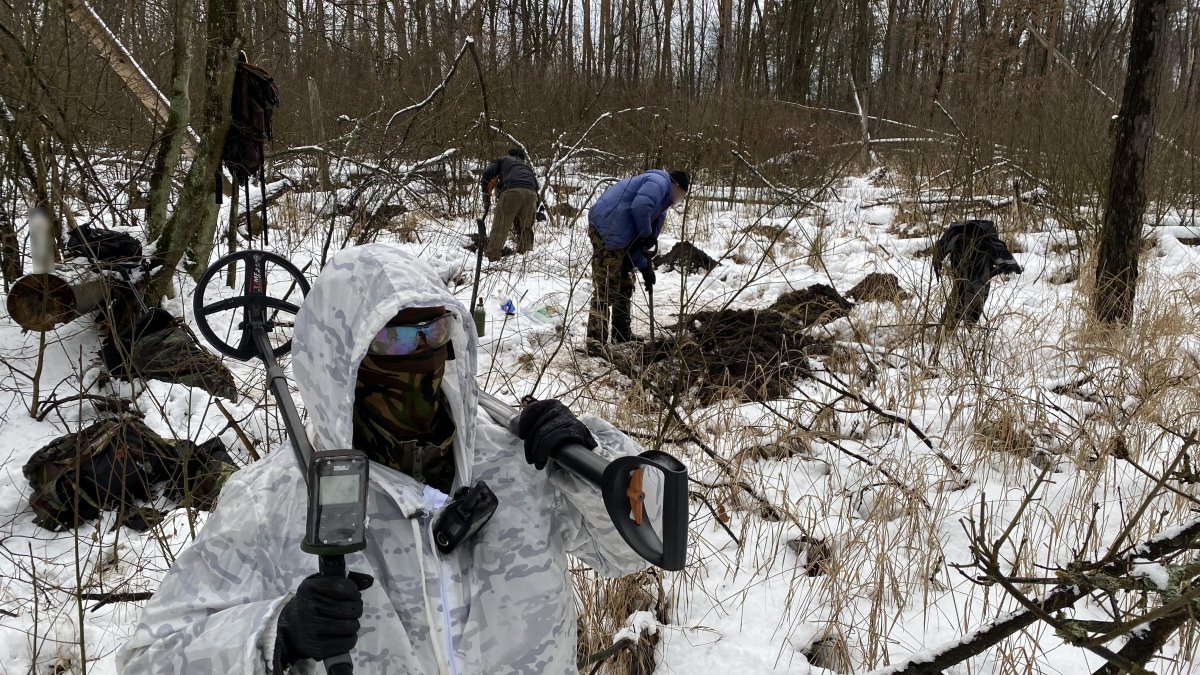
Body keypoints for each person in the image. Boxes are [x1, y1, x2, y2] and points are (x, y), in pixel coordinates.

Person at [116, 244, 662, 674]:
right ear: (344, 359)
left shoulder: (520, 460)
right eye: (395, 339)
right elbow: (150, 659)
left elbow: (644, 544)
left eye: (434, 331)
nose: (420, 354)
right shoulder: (274, 501)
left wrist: (595, 464)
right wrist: (276, 634)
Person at [586, 169, 689, 349]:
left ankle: (621, 333)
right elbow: (640, 207)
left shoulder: (661, 208)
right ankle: (595, 341)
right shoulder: (658, 182)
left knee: (626, 282)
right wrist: (646, 234)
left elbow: (643, 243)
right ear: (676, 186)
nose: (677, 201)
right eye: (680, 196)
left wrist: (645, 267)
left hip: (620, 236)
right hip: (607, 229)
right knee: (607, 285)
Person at [931, 219, 1023, 332]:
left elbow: (939, 252)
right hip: (978, 277)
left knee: (959, 297)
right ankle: (954, 329)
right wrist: (993, 272)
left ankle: (947, 330)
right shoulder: (989, 239)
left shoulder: (956, 233)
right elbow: (1008, 263)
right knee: (971, 299)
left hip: (961, 272)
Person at [481, 147, 540, 260]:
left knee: (501, 226)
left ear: (509, 154)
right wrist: (536, 207)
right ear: (523, 158)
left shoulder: (503, 160)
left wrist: (485, 196)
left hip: (511, 191)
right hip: (531, 194)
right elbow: (536, 187)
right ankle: (525, 258)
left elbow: (487, 173)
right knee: (526, 228)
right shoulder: (527, 168)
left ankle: (492, 257)